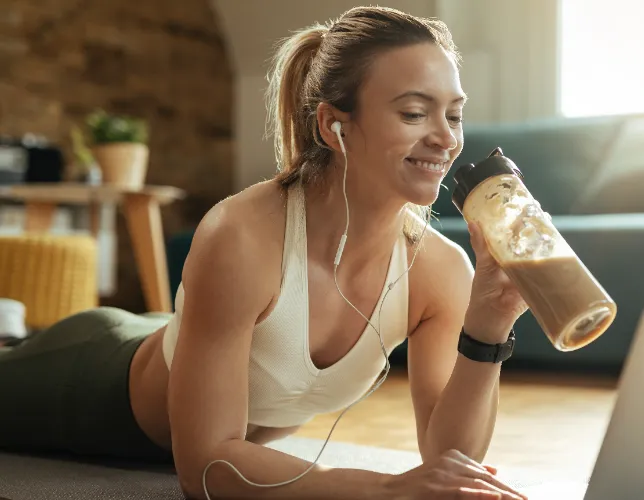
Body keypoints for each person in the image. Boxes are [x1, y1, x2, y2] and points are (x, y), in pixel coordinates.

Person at [0, 6, 531, 499]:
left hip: (176, 336)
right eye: (415, 113)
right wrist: (386, 490)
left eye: (454, 115)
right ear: (333, 125)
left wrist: (489, 324)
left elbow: (450, 461)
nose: (445, 138)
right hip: (93, 379)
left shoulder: (438, 269)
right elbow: (205, 466)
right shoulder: (242, 236)